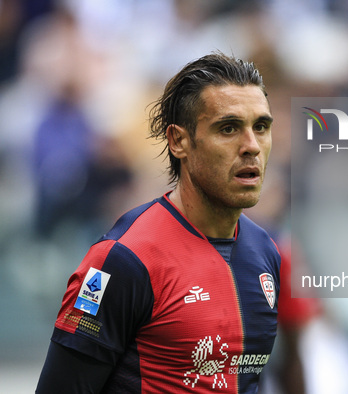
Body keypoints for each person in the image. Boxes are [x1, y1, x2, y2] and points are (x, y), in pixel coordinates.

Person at [36, 53, 281, 393]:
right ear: (179, 141)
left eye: (261, 127)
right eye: (228, 128)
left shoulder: (265, 253)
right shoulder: (123, 259)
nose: (252, 146)